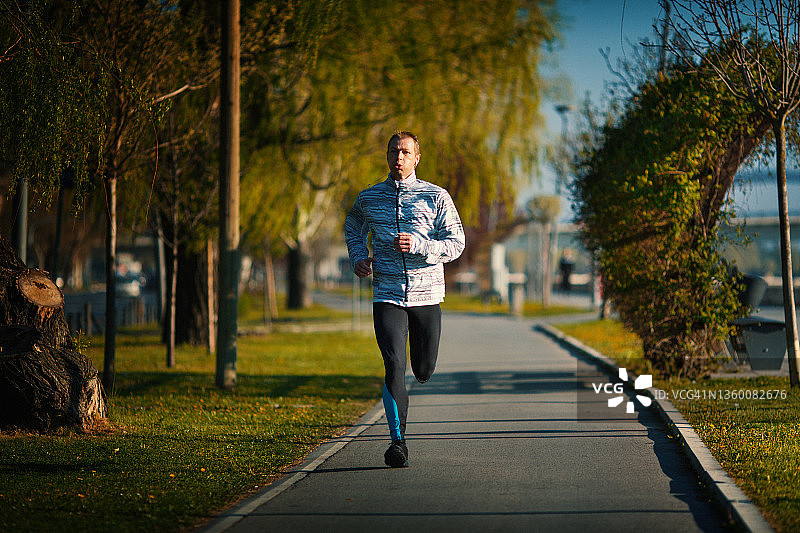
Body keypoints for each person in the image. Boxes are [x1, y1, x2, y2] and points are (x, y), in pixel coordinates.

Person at [344, 131, 465, 468]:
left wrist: (421, 246)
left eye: (405, 152)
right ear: (386, 155)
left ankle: (421, 372)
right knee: (394, 365)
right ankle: (398, 442)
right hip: (387, 293)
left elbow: (456, 243)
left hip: (427, 295)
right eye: (393, 151)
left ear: (416, 158)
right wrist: (358, 256)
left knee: (422, 369)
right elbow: (353, 226)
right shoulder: (369, 198)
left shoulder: (436, 196)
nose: (398, 157)